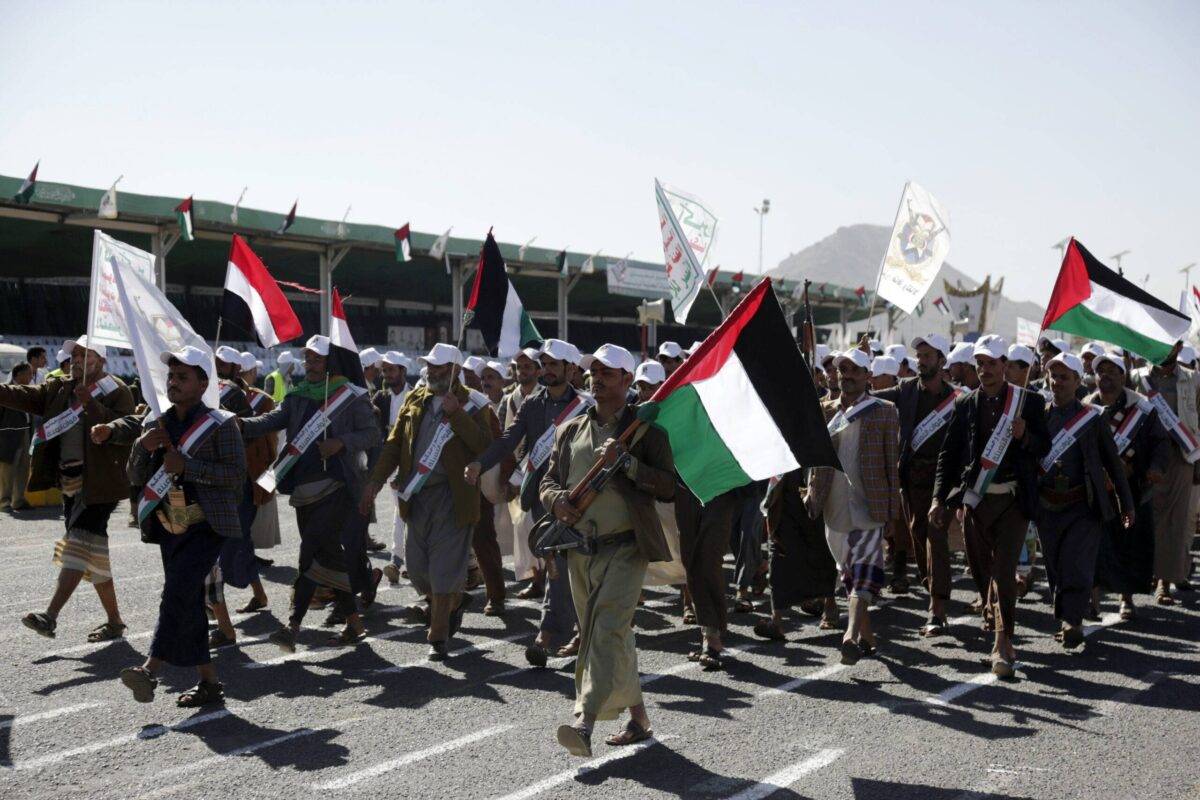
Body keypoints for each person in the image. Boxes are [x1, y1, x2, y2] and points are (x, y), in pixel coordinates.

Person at [541, 343, 675, 757]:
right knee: (613, 636)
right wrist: (556, 500)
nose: (597, 378)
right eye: (594, 371)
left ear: (628, 381)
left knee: (603, 632)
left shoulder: (647, 431)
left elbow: (669, 486)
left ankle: (584, 719)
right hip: (579, 550)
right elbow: (548, 482)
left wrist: (629, 464)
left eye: (608, 372)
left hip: (627, 548)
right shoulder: (570, 431)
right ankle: (638, 717)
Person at [119, 347, 246, 707]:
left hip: (206, 527)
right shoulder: (154, 423)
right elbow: (134, 474)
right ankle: (209, 682)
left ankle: (150, 668)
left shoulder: (222, 423)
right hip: (168, 525)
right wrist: (144, 448)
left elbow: (236, 477)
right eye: (171, 377)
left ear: (202, 383)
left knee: (176, 592)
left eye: (182, 377)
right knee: (188, 600)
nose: (173, 383)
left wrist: (188, 467)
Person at [242, 335, 380, 650]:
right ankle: (354, 623)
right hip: (303, 489)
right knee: (327, 554)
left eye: (317, 359)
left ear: (331, 362)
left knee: (310, 552)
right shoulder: (297, 395)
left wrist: (340, 442)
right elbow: (271, 420)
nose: (311, 364)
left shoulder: (351, 395)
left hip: (338, 487)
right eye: (308, 359)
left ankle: (292, 626)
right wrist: (240, 425)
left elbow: (371, 434)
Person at [361, 343, 494, 660]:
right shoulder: (415, 399)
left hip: (453, 496)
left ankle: (438, 633)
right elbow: (394, 445)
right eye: (430, 367)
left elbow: (485, 446)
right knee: (418, 568)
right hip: (416, 495)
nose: (432, 372)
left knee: (444, 565)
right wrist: (375, 482)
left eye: (440, 368)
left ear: (455, 372)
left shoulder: (474, 404)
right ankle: (453, 601)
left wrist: (456, 415)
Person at [2, 336, 135, 641]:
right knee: (94, 552)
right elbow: (24, 395)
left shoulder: (117, 389)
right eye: (73, 357)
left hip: (100, 484)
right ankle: (115, 621)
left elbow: (128, 428)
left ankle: (50, 616)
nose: (75, 361)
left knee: (77, 543)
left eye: (83, 356)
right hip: (68, 481)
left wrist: (91, 404)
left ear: (100, 360)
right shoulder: (59, 387)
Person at [466, 339, 589, 664]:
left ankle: (553, 634)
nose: (546, 370)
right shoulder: (533, 404)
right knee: (557, 565)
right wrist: (482, 462)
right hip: (545, 497)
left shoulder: (587, 407)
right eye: (543, 364)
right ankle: (559, 633)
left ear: (570, 369)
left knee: (574, 568)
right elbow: (510, 439)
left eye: (553, 365)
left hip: (581, 499)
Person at [932, 336, 1050, 677]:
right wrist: (940, 499)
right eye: (979, 364)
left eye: (992, 364)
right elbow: (949, 454)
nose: (985, 370)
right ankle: (995, 617)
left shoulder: (1028, 402)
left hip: (1013, 500)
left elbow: (1044, 446)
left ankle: (1002, 642)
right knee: (982, 572)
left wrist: (1024, 436)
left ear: (1006, 366)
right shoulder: (966, 403)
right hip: (976, 501)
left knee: (1004, 572)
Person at [805, 348, 900, 665]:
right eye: (842, 370)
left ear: (867, 376)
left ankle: (850, 636)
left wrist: (892, 510)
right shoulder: (825, 410)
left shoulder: (885, 411)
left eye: (854, 370)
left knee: (863, 574)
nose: (846, 375)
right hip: (833, 506)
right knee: (848, 574)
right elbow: (814, 459)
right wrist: (810, 493)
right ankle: (869, 638)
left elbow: (891, 464)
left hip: (868, 506)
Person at [1036, 353, 1134, 649]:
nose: (1057, 383)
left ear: (1078, 381)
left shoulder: (1092, 418)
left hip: (1083, 505)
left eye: (1065, 377)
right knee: (1055, 564)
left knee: (1075, 562)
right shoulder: (1038, 415)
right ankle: (1066, 613)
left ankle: (1073, 620)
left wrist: (1126, 504)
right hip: (1047, 505)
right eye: (1054, 376)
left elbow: (1113, 464)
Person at [874, 334, 958, 635]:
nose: (921, 361)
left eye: (927, 356)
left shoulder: (956, 400)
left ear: (941, 360)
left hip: (943, 482)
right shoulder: (906, 390)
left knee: (935, 537)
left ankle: (936, 608)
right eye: (919, 356)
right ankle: (932, 585)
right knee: (918, 536)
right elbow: (874, 396)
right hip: (911, 481)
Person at [1087, 352, 1167, 621]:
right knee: (1093, 545)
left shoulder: (1142, 408)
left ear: (1123, 376)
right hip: (1096, 490)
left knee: (1128, 543)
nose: (1105, 376)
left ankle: (1126, 599)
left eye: (1112, 370)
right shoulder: (1086, 407)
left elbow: (1159, 442)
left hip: (1133, 489)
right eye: (1101, 371)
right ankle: (1092, 600)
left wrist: (1152, 468)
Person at [1132, 341, 1200, 605]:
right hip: (1145, 458)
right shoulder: (1139, 378)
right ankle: (1143, 572)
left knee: (1175, 522)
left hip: (1181, 457)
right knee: (1145, 517)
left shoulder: (1192, 379)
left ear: (1179, 346)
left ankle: (1164, 582)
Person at [501, 347, 544, 599]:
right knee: (524, 526)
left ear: (538, 370)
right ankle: (536, 579)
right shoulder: (512, 399)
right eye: (519, 367)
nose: (523, 371)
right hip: (521, 471)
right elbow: (508, 436)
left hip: (544, 470)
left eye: (528, 367)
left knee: (541, 525)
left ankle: (550, 579)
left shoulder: (545, 396)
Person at [374, 351, 412, 585]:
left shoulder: (417, 395)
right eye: (384, 371)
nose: (387, 375)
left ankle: (401, 559)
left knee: (409, 510)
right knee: (401, 509)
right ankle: (398, 560)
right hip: (390, 461)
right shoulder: (380, 397)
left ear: (402, 371)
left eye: (391, 370)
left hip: (414, 462)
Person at [0, 362, 34, 511]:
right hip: (8, 434)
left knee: (23, 467)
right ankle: (4, 501)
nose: (31, 377)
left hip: (25, 431)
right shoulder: (5, 390)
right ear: (18, 375)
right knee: (8, 468)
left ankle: (18, 500)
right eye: (29, 374)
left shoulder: (28, 391)